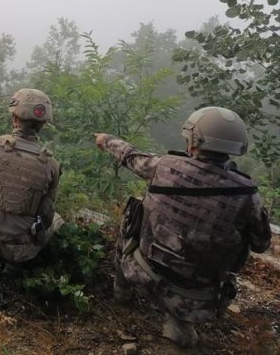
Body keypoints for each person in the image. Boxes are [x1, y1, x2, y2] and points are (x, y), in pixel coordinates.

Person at [95, 107, 272, 348]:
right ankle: (179, 322)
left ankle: (122, 294)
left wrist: (106, 140)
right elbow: (261, 245)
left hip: (142, 273)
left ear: (192, 141)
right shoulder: (247, 194)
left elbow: (130, 156)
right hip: (199, 298)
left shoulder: (163, 167)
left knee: (132, 214)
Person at [0, 88, 62, 265]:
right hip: (22, 251)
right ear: (42, 124)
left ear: (14, 117)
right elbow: (48, 203)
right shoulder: (51, 163)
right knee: (56, 217)